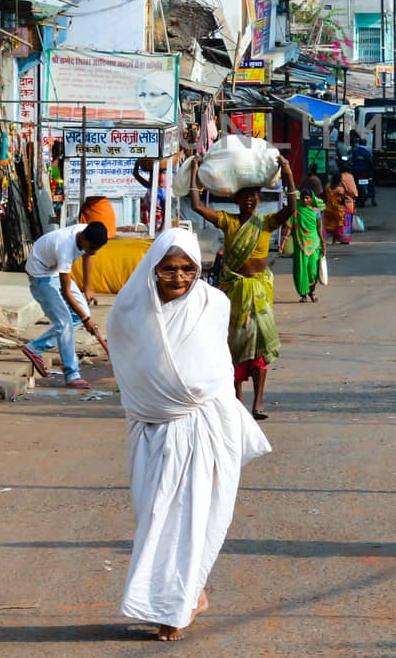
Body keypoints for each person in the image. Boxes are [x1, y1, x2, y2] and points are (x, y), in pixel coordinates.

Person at [107, 228, 272, 641]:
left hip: (205, 428)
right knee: (155, 517)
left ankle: (173, 609)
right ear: (153, 268)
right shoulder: (129, 310)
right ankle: (189, 594)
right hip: (150, 429)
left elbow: (216, 365)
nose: (179, 277)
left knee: (194, 520)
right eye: (169, 269)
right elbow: (130, 371)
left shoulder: (214, 303)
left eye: (188, 269)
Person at [190, 156, 299, 419]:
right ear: (236, 200)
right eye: (244, 197)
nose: (249, 201)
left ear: (259, 201)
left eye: (253, 197)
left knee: (261, 347)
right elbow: (196, 206)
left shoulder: (267, 222)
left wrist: (288, 172)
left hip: (259, 292)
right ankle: (237, 397)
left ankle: (258, 403)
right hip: (233, 290)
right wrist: (194, 173)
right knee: (233, 346)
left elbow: (292, 207)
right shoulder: (228, 221)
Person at [21, 221, 108, 390]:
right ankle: (71, 374)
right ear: (82, 239)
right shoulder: (65, 248)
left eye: (96, 249)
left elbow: (88, 255)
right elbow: (66, 292)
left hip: (53, 270)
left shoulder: (86, 232)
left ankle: (35, 347)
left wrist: (87, 288)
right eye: (91, 247)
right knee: (65, 323)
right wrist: (86, 319)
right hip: (41, 276)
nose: (93, 252)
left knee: (77, 315)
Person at [290, 176, 327, 303]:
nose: (305, 200)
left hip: (314, 244)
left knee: (312, 270)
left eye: (307, 198)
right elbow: (289, 226)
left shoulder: (316, 212)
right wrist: (283, 242)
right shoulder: (296, 212)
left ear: (311, 199)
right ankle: (303, 294)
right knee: (301, 270)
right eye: (303, 198)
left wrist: (323, 243)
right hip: (301, 244)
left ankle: (312, 291)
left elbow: (319, 228)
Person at [323, 176, 352, 246]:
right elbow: (344, 195)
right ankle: (335, 240)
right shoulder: (340, 189)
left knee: (331, 224)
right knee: (338, 225)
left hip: (329, 208)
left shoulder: (328, 187)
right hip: (338, 209)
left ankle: (330, 239)